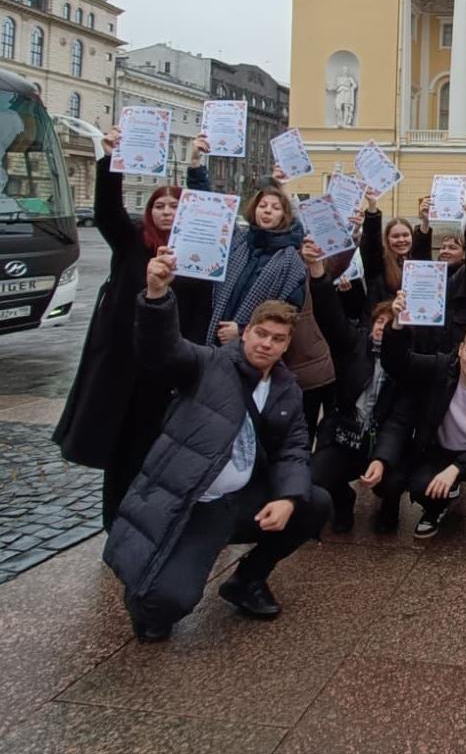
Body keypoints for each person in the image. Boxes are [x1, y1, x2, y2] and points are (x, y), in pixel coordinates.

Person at [103, 251, 331, 643]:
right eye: (261, 334)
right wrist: (157, 295)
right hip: (192, 501)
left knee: (316, 501)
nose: (267, 344)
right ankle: (152, 589)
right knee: (164, 606)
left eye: (278, 339)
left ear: (286, 346)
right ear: (246, 332)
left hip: (238, 501)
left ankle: (247, 579)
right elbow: (164, 350)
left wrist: (289, 499)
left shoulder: (285, 388)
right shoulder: (208, 363)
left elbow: (293, 449)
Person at [54, 128, 213, 529]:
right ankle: (115, 519)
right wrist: (109, 159)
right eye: (159, 206)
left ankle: (153, 520)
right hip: (125, 362)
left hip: (168, 364)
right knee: (122, 445)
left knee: (159, 444)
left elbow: (199, 305)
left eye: (173, 207)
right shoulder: (131, 243)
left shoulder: (195, 254)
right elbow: (107, 210)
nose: (165, 212)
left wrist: (197, 166)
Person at [372, 304, 466, 542]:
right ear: (460, 349)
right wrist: (397, 324)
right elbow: (398, 363)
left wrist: (456, 470)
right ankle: (437, 507)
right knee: (420, 486)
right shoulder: (439, 367)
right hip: (440, 451)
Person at [300, 238, 404, 535]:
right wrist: (318, 271)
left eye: (391, 325)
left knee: (395, 480)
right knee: (316, 476)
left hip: (382, 441)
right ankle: (342, 500)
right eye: (380, 323)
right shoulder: (353, 345)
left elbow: (399, 420)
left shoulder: (405, 364)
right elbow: (330, 316)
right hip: (345, 436)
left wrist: (383, 459)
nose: (383, 329)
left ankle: (389, 506)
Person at [206, 183, 308, 346]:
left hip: (258, 348)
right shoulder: (238, 242)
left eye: (275, 208)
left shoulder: (291, 259)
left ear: (284, 215)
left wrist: (242, 330)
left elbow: (289, 312)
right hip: (216, 339)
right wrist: (197, 168)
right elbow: (212, 210)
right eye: (262, 206)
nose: (267, 211)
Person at [411, 200, 466, 354]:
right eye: (443, 247)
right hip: (430, 344)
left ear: (465, 253)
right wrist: (425, 222)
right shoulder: (433, 273)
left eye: (453, 247)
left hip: (458, 346)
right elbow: (420, 259)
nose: (446, 251)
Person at [360, 194, 416, 310]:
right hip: (383, 323)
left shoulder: (417, 263)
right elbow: (371, 242)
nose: (401, 240)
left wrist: (425, 221)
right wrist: (372, 207)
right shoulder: (378, 263)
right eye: (395, 236)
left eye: (405, 235)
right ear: (387, 239)